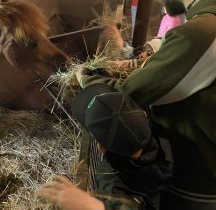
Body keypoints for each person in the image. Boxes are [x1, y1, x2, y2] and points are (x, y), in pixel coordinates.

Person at [41, 0, 216, 209]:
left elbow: (125, 94)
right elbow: (170, 58)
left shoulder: (201, 33)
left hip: (196, 184)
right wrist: (137, 62)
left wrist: (86, 78)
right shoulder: (202, 21)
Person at [39, 83, 173, 210]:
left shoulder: (110, 184)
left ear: (101, 148)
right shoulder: (166, 137)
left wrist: (94, 206)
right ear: (142, 114)